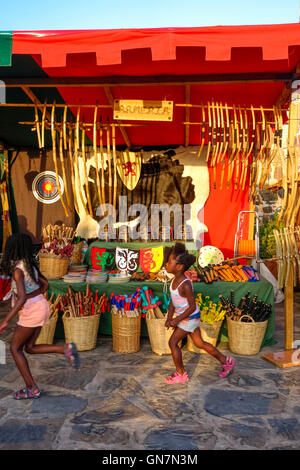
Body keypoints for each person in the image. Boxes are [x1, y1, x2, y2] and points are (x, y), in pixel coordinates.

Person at [0, 233, 80, 400]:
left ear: (12, 250)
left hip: (33, 310)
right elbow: (45, 284)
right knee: (29, 347)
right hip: (41, 305)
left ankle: (31, 388)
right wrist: (36, 299)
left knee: (15, 348)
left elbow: (21, 297)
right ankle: (65, 349)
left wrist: (6, 320)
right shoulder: (30, 266)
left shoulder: (17, 271)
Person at [164, 242, 235, 384]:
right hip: (187, 317)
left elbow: (191, 307)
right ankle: (226, 361)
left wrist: (176, 321)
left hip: (190, 317)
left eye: (169, 261)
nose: (166, 263)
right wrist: (170, 317)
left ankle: (181, 374)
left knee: (172, 343)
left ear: (179, 267)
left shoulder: (185, 284)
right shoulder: (173, 281)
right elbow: (173, 301)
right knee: (200, 343)